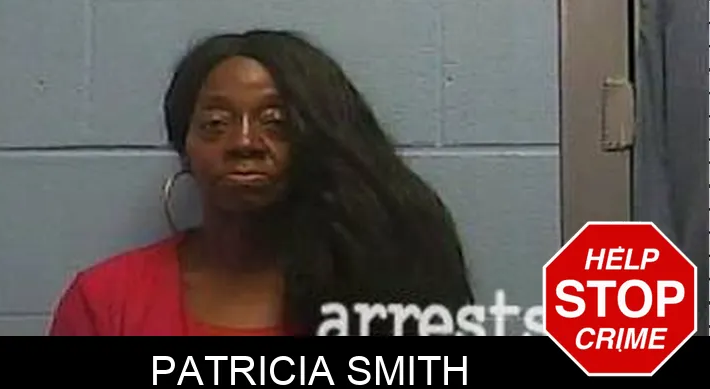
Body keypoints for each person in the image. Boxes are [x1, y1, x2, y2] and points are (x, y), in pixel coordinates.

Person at [48, 29, 473, 336]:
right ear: (185, 148)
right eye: (216, 124)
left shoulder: (378, 287)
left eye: (276, 123)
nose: (244, 143)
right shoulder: (105, 301)